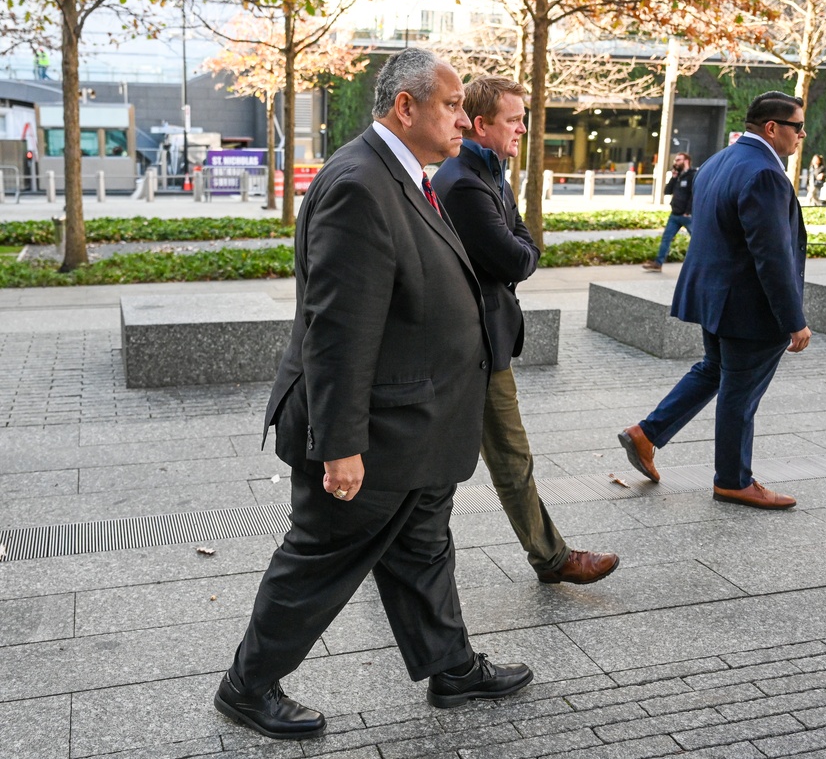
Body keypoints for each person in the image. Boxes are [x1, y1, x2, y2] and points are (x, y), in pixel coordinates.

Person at [213, 49, 532, 741]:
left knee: (422, 548)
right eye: (450, 105)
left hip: (416, 426)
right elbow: (337, 331)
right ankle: (247, 685)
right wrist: (341, 446)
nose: (461, 117)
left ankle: (451, 666)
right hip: (375, 433)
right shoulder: (361, 183)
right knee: (321, 556)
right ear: (405, 107)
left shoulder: (408, 175)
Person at [432, 75, 619, 585]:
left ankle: (548, 557)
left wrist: (521, 246)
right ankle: (552, 559)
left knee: (471, 463)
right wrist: (522, 249)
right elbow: (517, 256)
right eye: (513, 120)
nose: (522, 130)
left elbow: (521, 238)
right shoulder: (466, 182)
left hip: (480, 342)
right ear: (480, 123)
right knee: (504, 459)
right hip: (474, 347)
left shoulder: (487, 174)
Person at [618, 91, 811, 510]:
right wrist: (793, 318)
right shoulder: (764, 173)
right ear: (773, 128)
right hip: (749, 309)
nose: (802, 135)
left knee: (714, 371)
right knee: (739, 391)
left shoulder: (720, 160)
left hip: (714, 301)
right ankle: (733, 481)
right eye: (797, 127)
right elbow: (772, 254)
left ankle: (647, 433)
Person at [643, 152, 695, 271]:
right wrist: (674, 177)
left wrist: (688, 211)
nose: (675, 162)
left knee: (697, 240)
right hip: (675, 214)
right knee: (666, 238)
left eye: (678, 160)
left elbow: (694, 195)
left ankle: (699, 266)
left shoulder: (692, 175)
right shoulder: (678, 176)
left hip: (687, 216)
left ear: (686, 161)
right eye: (675, 160)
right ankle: (658, 263)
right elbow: (667, 191)